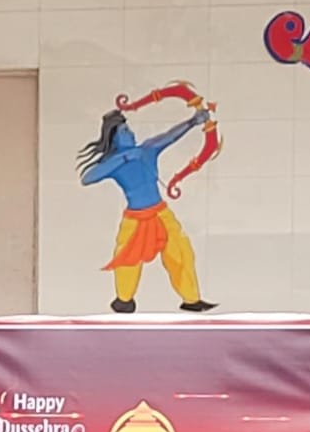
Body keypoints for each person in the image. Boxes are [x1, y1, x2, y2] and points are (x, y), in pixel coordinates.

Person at [78, 110, 217, 315]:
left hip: (161, 213)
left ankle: (191, 299)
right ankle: (124, 300)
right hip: (135, 219)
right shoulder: (114, 162)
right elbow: (88, 178)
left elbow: (169, 136)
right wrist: (124, 158)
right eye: (125, 131)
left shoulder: (147, 150)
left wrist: (193, 121)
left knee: (181, 251)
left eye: (129, 130)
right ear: (114, 137)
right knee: (127, 259)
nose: (131, 134)